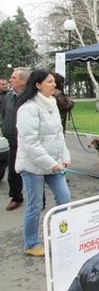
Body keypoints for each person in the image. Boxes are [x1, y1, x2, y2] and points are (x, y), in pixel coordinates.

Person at [15, 69, 71, 256]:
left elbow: (57, 136)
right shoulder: (28, 108)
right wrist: (51, 164)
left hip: (53, 164)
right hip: (32, 166)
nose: (54, 85)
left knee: (64, 198)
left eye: (54, 81)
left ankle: (60, 235)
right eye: (49, 82)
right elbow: (29, 143)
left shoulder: (53, 103)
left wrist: (65, 158)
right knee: (35, 205)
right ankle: (31, 244)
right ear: (37, 85)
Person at [0, 67, 31, 211]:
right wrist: (3, 125)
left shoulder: (31, 97)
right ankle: (16, 197)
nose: (10, 80)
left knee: (33, 172)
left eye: (13, 78)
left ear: (23, 80)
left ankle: (38, 200)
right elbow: (4, 113)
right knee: (13, 171)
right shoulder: (8, 96)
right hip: (13, 140)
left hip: (28, 142)